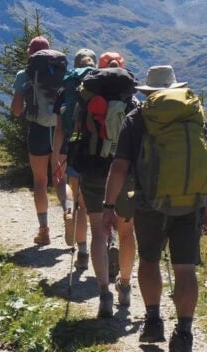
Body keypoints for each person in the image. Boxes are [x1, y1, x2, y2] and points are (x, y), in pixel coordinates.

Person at [103, 65, 207, 352]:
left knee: (149, 260)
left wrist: (108, 205)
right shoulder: (193, 114)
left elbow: (119, 167)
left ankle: (153, 322)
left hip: (149, 203)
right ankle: (184, 334)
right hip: (192, 202)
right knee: (185, 268)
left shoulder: (138, 118)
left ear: (148, 92)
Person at [70, 51, 138, 318]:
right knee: (126, 232)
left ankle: (103, 294)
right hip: (124, 174)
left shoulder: (87, 101)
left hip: (94, 170)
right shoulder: (132, 102)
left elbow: (77, 132)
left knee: (98, 232)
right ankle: (124, 286)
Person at [11, 36, 70, 246]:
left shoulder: (24, 74)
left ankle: (44, 231)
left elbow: (17, 110)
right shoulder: (63, 73)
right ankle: (68, 212)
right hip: (60, 129)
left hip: (38, 130)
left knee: (40, 181)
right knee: (61, 178)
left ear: (30, 53)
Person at [52, 48, 96, 267]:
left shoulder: (67, 87)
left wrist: (56, 159)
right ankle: (110, 244)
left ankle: (83, 253)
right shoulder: (102, 85)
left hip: (74, 147)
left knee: (80, 203)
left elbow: (60, 129)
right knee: (101, 205)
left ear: (75, 65)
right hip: (100, 150)